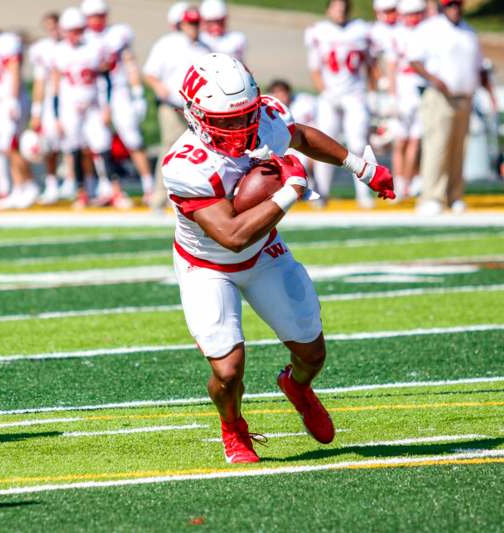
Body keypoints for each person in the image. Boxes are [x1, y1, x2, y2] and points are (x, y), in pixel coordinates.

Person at [163, 53, 394, 463]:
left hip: (265, 253)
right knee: (228, 370)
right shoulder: (185, 165)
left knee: (312, 353)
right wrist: (290, 190)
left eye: (245, 117)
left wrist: (359, 166)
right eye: (227, 120)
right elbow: (232, 236)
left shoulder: (265, 117)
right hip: (208, 266)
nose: (239, 127)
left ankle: (298, 386)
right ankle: (233, 427)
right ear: (196, 115)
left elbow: (301, 136)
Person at [408, 0, 496, 215]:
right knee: (437, 146)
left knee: (459, 148)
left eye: (457, 5)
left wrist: (489, 93)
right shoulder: (430, 29)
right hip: (439, 97)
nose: (454, 9)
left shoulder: (469, 32)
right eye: (450, 6)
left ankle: (453, 195)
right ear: (443, 7)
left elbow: (479, 67)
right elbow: (414, 60)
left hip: (465, 96)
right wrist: (433, 78)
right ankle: (431, 196)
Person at [35, 8, 122, 209]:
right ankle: (81, 192)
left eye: (78, 30)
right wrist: (56, 115)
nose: (75, 35)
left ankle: (115, 190)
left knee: (102, 145)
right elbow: (55, 85)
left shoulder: (95, 47)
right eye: (71, 30)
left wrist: (107, 106)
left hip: (92, 105)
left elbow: (106, 78)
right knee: (73, 148)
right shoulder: (58, 52)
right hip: (70, 108)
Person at [304, 0, 376, 208]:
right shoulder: (319, 31)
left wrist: (372, 91)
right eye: (336, 6)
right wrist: (325, 92)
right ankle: (321, 194)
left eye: (343, 7)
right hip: (330, 95)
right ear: (328, 9)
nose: (340, 11)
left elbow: (371, 64)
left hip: (355, 94)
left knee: (358, 143)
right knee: (324, 144)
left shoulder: (361, 30)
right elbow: (315, 68)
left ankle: (364, 194)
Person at [82, 0, 153, 206]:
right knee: (99, 143)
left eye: (99, 15)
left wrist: (137, 92)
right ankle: (110, 188)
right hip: (95, 95)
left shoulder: (118, 34)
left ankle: (149, 186)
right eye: (92, 16)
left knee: (133, 139)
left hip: (120, 91)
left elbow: (129, 62)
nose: (96, 20)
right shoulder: (84, 39)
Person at [143, 4, 210, 212]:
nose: (193, 27)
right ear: (181, 24)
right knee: (170, 149)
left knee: (198, 152)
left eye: (196, 23)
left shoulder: (204, 48)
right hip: (172, 106)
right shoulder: (168, 44)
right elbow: (150, 72)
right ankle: (159, 198)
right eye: (189, 23)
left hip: (197, 109)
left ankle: (190, 197)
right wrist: (158, 87)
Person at [0, 20, 39, 210]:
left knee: (12, 145)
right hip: (2, 101)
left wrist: (12, 99)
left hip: (14, 100)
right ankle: (18, 188)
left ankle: (29, 184)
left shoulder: (6, 42)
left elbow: (14, 70)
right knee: (7, 147)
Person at [28, 12, 73, 204]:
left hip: (70, 99)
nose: (53, 30)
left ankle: (72, 181)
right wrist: (36, 111)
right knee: (49, 144)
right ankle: (52, 183)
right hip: (50, 101)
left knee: (72, 142)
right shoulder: (42, 49)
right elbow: (40, 82)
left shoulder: (72, 46)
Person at [389, 0, 428, 199]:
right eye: (411, 13)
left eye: (418, 13)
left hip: (420, 90)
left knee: (415, 140)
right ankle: (399, 180)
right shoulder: (398, 33)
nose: (415, 17)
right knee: (400, 141)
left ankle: (408, 181)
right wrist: (393, 96)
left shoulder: (427, 31)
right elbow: (391, 67)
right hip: (404, 91)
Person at [267, 79, 318, 175]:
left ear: (288, 93)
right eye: (275, 93)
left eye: (281, 92)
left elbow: (314, 128)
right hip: (283, 150)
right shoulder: (268, 110)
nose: (279, 96)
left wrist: (313, 155)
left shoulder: (304, 103)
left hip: (304, 147)